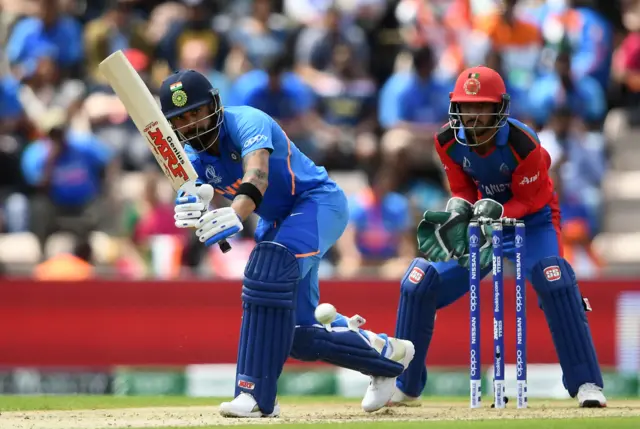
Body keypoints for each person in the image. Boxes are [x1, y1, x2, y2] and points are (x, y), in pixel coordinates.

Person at [161, 69, 414, 417]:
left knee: (267, 269)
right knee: (299, 333)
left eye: (196, 113)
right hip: (277, 221)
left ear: (215, 106)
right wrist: (191, 207)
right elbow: (193, 196)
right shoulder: (192, 157)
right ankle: (386, 356)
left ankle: (255, 396)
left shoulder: (247, 121)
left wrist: (234, 213)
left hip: (316, 202)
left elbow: (257, 175)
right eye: (181, 120)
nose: (191, 125)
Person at [388, 66, 607, 408]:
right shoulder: (446, 140)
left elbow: (531, 199)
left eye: (481, 106)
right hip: (483, 222)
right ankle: (405, 385)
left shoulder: (524, 143)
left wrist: (498, 214)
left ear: (499, 108)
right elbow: (461, 187)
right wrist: (462, 213)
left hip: (533, 220)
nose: (473, 115)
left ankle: (587, 384)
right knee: (419, 282)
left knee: (557, 282)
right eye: (466, 106)